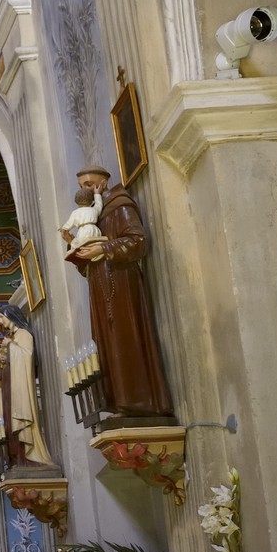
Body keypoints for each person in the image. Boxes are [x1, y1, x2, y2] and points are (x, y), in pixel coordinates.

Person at [66, 167, 174, 418]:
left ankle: (139, 402)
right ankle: (119, 403)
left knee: (125, 338)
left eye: (89, 183)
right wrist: (78, 250)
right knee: (106, 343)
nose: (85, 189)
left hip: (121, 285)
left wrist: (102, 250)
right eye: (82, 185)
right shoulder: (94, 217)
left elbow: (138, 241)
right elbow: (87, 267)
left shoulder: (119, 205)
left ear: (104, 183)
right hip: (101, 288)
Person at [0, 303, 54, 468]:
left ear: (10, 316)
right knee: (8, 423)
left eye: (1, 317)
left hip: (18, 389)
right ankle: (15, 459)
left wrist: (10, 347)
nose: (0, 321)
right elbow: (3, 364)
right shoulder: (11, 337)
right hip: (8, 386)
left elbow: (27, 356)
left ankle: (26, 457)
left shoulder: (24, 334)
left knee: (16, 421)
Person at [59, 186, 105, 258]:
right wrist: (97, 194)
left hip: (84, 231)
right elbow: (99, 205)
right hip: (94, 229)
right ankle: (96, 254)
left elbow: (69, 224)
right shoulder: (94, 210)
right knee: (95, 242)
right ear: (91, 201)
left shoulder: (75, 213)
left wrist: (63, 228)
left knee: (79, 244)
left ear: (77, 202)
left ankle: (81, 252)